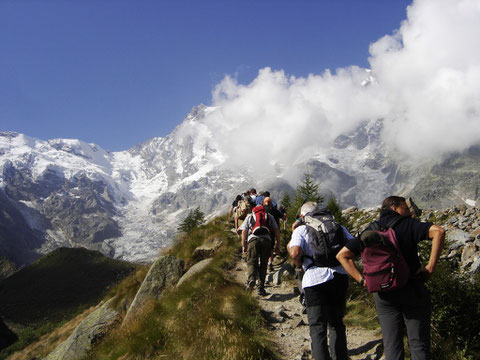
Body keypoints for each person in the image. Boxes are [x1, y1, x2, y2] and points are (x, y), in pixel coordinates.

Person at [336, 196, 445, 360]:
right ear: (394, 208)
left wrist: (363, 280)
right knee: (418, 344)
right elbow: (439, 231)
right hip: (412, 289)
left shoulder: (371, 229)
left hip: (383, 294)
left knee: (392, 346)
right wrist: (430, 268)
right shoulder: (407, 224)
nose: (409, 212)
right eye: (405, 208)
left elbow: (342, 255)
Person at [288, 201, 353, 360]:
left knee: (317, 327)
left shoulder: (301, 229)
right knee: (336, 324)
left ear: (303, 216)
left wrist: (299, 266)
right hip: (339, 277)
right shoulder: (338, 227)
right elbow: (354, 247)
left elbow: (295, 253)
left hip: (314, 281)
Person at [240, 205, 280, 296]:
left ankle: (252, 279)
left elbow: (244, 231)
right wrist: (278, 244)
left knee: (252, 261)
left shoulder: (249, 216)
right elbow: (276, 230)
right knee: (264, 263)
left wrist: (243, 245)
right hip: (266, 241)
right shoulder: (269, 216)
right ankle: (261, 287)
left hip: (253, 240)